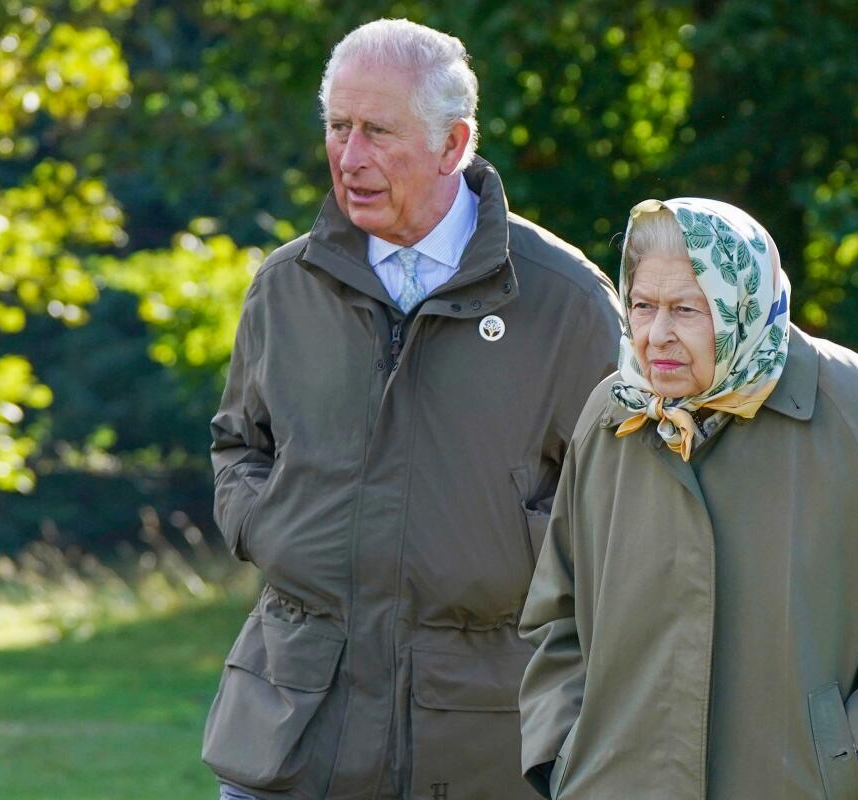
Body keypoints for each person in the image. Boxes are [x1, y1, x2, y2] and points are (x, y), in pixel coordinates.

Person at [202, 19, 621, 800]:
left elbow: (624, 494)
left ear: (453, 145)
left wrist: (522, 544)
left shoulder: (567, 302)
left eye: (377, 132)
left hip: (485, 739)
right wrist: (265, 525)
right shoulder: (285, 286)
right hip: (292, 728)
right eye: (337, 127)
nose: (349, 157)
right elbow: (239, 442)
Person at [518, 198, 858, 799]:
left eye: (686, 309)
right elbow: (559, 616)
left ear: (742, 302)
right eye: (642, 306)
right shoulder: (613, 414)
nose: (656, 335)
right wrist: (565, 755)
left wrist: (856, 759)